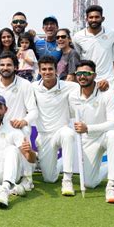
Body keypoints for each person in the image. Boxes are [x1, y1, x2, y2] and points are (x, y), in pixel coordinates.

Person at [68, 60, 114, 204]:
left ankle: (112, 185)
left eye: (87, 73)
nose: (82, 77)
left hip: (104, 135)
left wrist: (88, 128)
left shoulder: (107, 93)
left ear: (95, 75)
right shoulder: (72, 95)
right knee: (89, 183)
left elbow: (113, 123)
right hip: (87, 140)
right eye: (79, 73)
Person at [0, 52, 37, 190]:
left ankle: (28, 178)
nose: (5, 67)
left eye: (9, 65)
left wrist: (23, 121)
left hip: (17, 128)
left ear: (16, 67)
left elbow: (33, 111)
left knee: (24, 131)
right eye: (2, 65)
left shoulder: (25, 84)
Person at [32, 55, 78, 196]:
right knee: (49, 179)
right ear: (39, 71)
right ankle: (60, 164)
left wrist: (101, 84)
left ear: (56, 70)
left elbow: (86, 90)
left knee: (68, 133)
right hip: (44, 135)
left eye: (50, 69)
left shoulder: (71, 86)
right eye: (44, 69)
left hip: (61, 131)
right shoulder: (32, 87)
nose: (47, 72)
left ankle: (67, 179)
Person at [73, 5, 114, 90]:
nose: (94, 20)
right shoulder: (78, 36)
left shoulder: (112, 34)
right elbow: (78, 59)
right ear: (86, 19)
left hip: (108, 80)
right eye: (91, 17)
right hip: (88, 80)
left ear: (102, 18)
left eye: (97, 17)